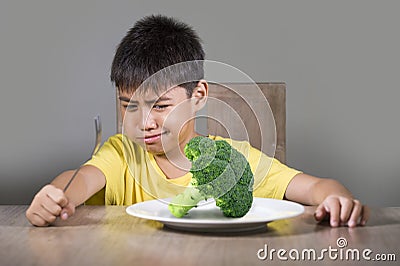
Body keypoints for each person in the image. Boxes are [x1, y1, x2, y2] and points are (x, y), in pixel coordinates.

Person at [26, 15, 369, 228]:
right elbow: (80, 180)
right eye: (129, 106)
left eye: (160, 106)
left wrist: (335, 200)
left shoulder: (233, 161)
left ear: (199, 96)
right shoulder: (120, 154)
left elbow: (316, 188)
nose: (144, 122)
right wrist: (58, 196)